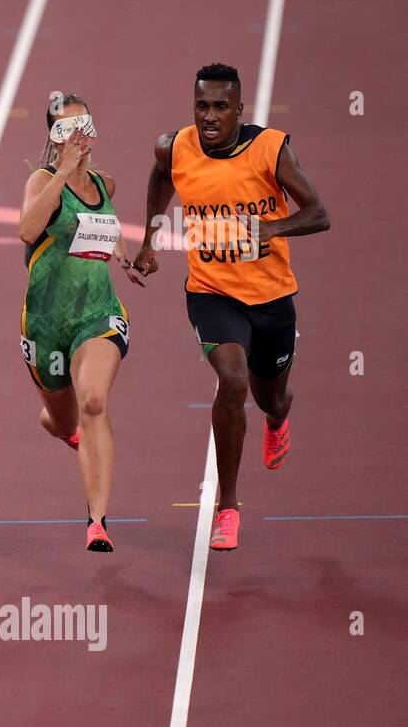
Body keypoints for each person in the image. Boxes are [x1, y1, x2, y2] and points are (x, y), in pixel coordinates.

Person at [132, 63, 330, 550]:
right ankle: (228, 506)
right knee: (233, 377)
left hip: (271, 297)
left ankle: (279, 416)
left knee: (269, 396)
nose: (210, 116)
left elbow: (319, 213)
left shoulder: (271, 149)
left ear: (240, 110)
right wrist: (151, 240)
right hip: (211, 292)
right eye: (202, 106)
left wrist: (271, 229)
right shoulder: (174, 146)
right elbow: (163, 177)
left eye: (221, 107)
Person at [19, 94, 142, 551]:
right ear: (52, 138)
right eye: (66, 130)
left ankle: (96, 522)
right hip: (47, 324)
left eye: (84, 125)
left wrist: (127, 258)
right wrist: (62, 172)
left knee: (93, 401)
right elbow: (28, 230)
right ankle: (65, 429)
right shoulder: (41, 180)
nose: (78, 137)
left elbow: (104, 229)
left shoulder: (104, 182)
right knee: (62, 417)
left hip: (98, 314)